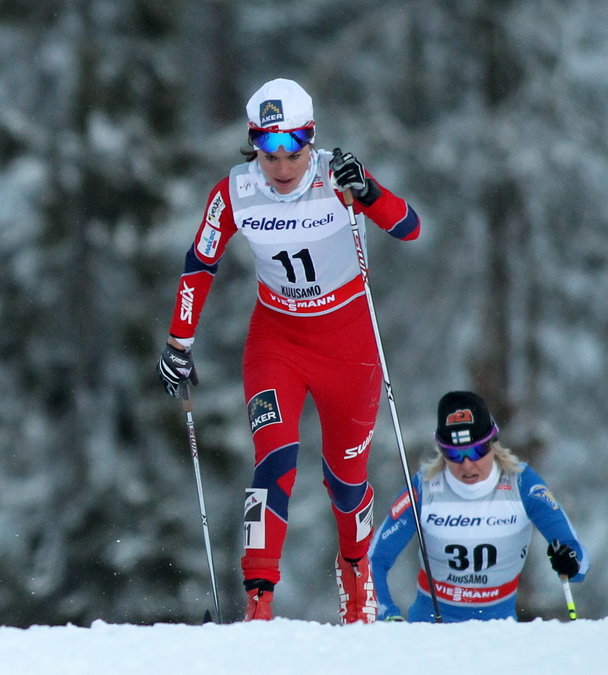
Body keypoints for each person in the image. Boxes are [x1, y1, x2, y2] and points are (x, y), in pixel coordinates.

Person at [155, 78, 422, 623]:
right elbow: (199, 262)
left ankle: (356, 575)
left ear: (311, 139)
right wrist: (178, 342)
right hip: (276, 338)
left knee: (346, 482)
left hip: (348, 343)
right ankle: (259, 600)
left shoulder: (337, 176)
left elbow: (410, 228)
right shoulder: (235, 191)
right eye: (267, 148)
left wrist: (368, 193)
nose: (280, 163)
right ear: (253, 143)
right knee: (273, 459)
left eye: (293, 147)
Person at [369, 391, 588, 622]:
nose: (466, 464)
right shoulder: (425, 488)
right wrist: (386, 612)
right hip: (430, 628)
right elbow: (375, 558)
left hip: (497, 631)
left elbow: (578, 560)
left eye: (476, 451)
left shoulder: (522, 483)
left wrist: (570, 561)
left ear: (492, 443)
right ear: (441, 451)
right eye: (454, 453)